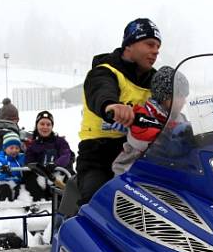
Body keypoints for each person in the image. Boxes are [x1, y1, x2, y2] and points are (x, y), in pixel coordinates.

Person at [75, 18, 161, 205]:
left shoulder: (155, 80)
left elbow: (170, 104)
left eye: (158, 47)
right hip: (98, 154)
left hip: (138, 155)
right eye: (150, 44)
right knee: (96, 203)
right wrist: (111, 105)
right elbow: (101, 90)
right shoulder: (104, 72)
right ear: (130, 44)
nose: (156, 51)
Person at [111, 66, 187, 175]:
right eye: (180, 96)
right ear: (165, 97)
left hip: (161, 173)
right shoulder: (142, 115)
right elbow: (145, 136)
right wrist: (178, 136)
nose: (184, 101)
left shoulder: (181, 117)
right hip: (131, 174)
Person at [0, 132, 27, 202]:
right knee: (5, 189)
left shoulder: (21, 157)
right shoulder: (0, 158)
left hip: (16, 182)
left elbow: (27, 163)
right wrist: (3, 169)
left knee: (21, 189)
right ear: (5, 148)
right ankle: (7, 207)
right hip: (1, 182)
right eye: (11, 148)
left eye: (17, 148)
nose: (14, 150)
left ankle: (21, 205)